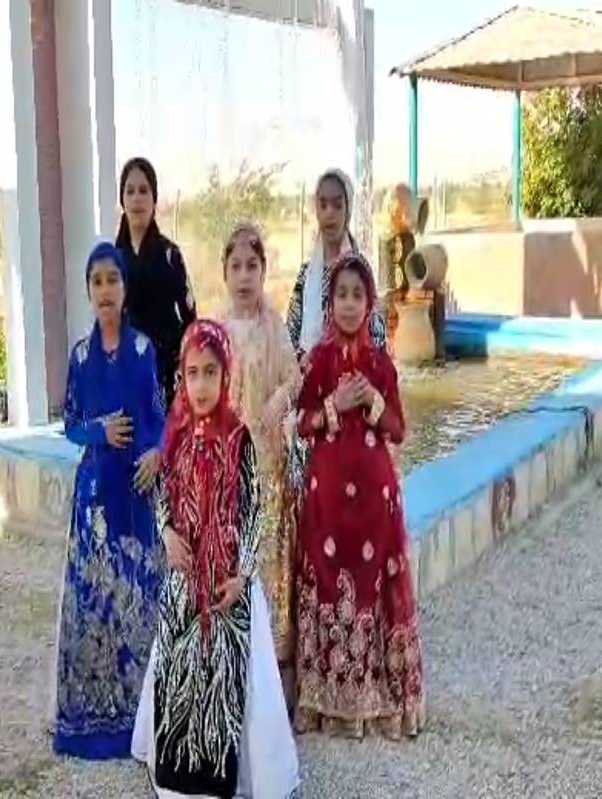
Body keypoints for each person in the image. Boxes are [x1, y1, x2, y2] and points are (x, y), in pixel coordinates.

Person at [132, 319, 300, 799]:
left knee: (230, 674)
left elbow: (256, 510)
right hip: (185, 578)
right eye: (193, 373)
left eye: (211, 372)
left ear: (226, 375)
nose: (201, 385)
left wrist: (243, 575)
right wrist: (167, 532)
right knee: (179, 668)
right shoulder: (176, 436)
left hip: (229, 582)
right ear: (181, 378)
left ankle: (234, 773)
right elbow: (163, 496)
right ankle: (180, 769)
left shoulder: (239, 438)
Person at [292, 253, 425, 741]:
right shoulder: (318, 361)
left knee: (369, 587)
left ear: (370, 303)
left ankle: (376, 697)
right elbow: (302, 424)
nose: (349, 305)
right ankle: (324, 701)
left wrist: (371, 401)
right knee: (327, 586)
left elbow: (399, 429)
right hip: (326, 501)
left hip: (373, 500)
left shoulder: (380, 364)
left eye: (357, 295)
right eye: (341, 295)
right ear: (330, 303)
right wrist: (333, 404)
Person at [52, 241, 167, 760]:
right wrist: (99, 430)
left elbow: (160, 418)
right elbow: (70, 425)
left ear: (124, 288)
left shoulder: (144, 351)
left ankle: (143, 719)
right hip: (96, 499)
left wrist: (157, 454)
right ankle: (94, 721)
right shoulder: (81, 357)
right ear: (88, 290)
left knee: (138, 600)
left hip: (137, 491)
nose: (105, 290)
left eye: (112, 280)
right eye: (96, 281)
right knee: (96, 604)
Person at [213, 222, 303, 706]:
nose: (244, 275)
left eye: (252, 266)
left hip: (269, 467)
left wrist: (279, 400)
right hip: (231, 468)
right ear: (225, 273)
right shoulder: (217, 331)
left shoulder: (274, 327)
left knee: (272, 562)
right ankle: (235, 674)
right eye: (236, 267)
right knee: (235, 559)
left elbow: (295, 379)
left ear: (263, 271)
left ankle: (277, 677)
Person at [117, 156, 198, 408]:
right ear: (122, 199)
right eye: (130, 191)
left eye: (144, 191)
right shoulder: (111, 261)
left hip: (166, 377)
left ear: (154, 198)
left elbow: (190, 318)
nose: (137, 199)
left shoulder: (170, 255)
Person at [285, 168, 386, 364]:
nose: (329, 213)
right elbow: (289, 338)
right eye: (322, 205)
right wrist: (305, 360)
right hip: (310, 376)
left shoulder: (360, 269)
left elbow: (378, 337)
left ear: (348, 210)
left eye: (337, 205)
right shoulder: (306, 275)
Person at [378, 184, 416, 342]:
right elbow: (388, 280)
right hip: (391, 301)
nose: (409, 215)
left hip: (403, 299)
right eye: (405, 210)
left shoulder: (408, 238)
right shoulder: (387, 240)